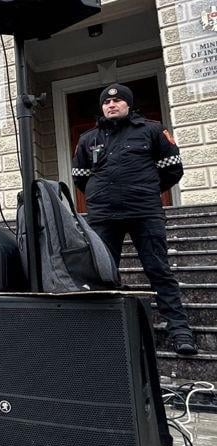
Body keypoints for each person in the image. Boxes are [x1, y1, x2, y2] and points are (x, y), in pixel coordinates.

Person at [72, 83, 197, 356]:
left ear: (128, 104)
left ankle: (179, 330)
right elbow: (80, 178)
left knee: (159, 270)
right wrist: (102, 194)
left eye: (117, 101)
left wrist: (146, 190)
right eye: (106, 102)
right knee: (102, 276)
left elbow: (172, 170)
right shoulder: (88, 139)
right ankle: (102, 333)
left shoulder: (152, 130)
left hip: (145, 213)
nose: (111, 105)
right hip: (104, 216)